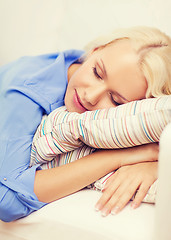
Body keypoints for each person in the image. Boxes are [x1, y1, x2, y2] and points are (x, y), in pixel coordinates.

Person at [0, 26, 170, 222]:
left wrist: (157, 165)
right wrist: (122, 157)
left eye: (116, 101)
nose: (90, 96)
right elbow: (6, 198)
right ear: (95, 50)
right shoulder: (24, 91)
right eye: (97, 73)